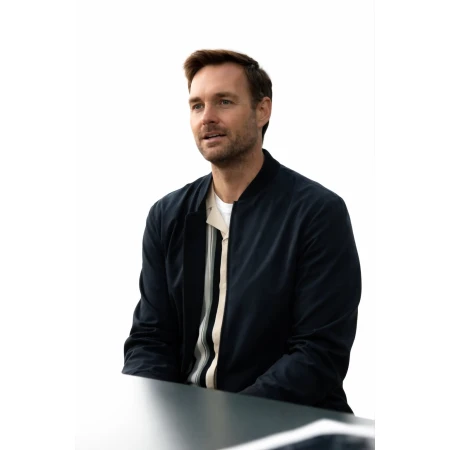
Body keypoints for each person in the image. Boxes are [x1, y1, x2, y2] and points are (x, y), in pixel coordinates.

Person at [122, 49, 361, 414]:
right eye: (197, 105)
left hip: (288, 422)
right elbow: (150, 338)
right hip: (188, 425)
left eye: (224, 101)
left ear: (262, 110)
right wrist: (154, 418)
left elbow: (318, 354)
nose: (207, 117)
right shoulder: (167, 216)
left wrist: (230, 421)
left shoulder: (316, 213)